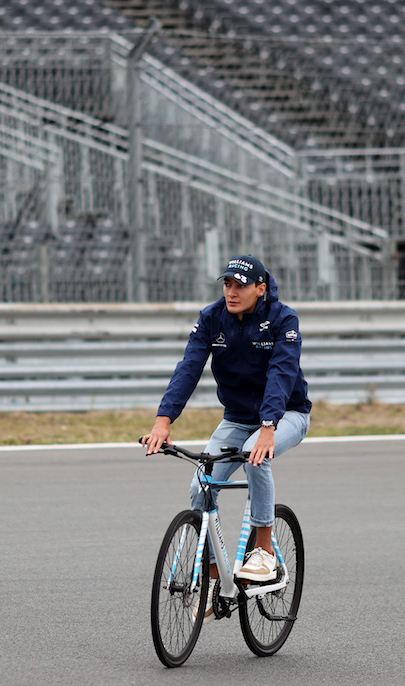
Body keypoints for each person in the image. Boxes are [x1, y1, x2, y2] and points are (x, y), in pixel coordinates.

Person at [141, 254, 311, 606]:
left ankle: (264, 551)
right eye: (227, 284)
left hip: (286, 415)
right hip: (237, 418)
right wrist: (163, 420)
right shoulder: (212, 318)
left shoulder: (283, 319)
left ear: (260, 289)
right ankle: (218, 580)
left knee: (255, 456)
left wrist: (268, 427)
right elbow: (189, 367)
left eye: (241, 286)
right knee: (200, 487)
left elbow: (282, 374)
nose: (231, 292)